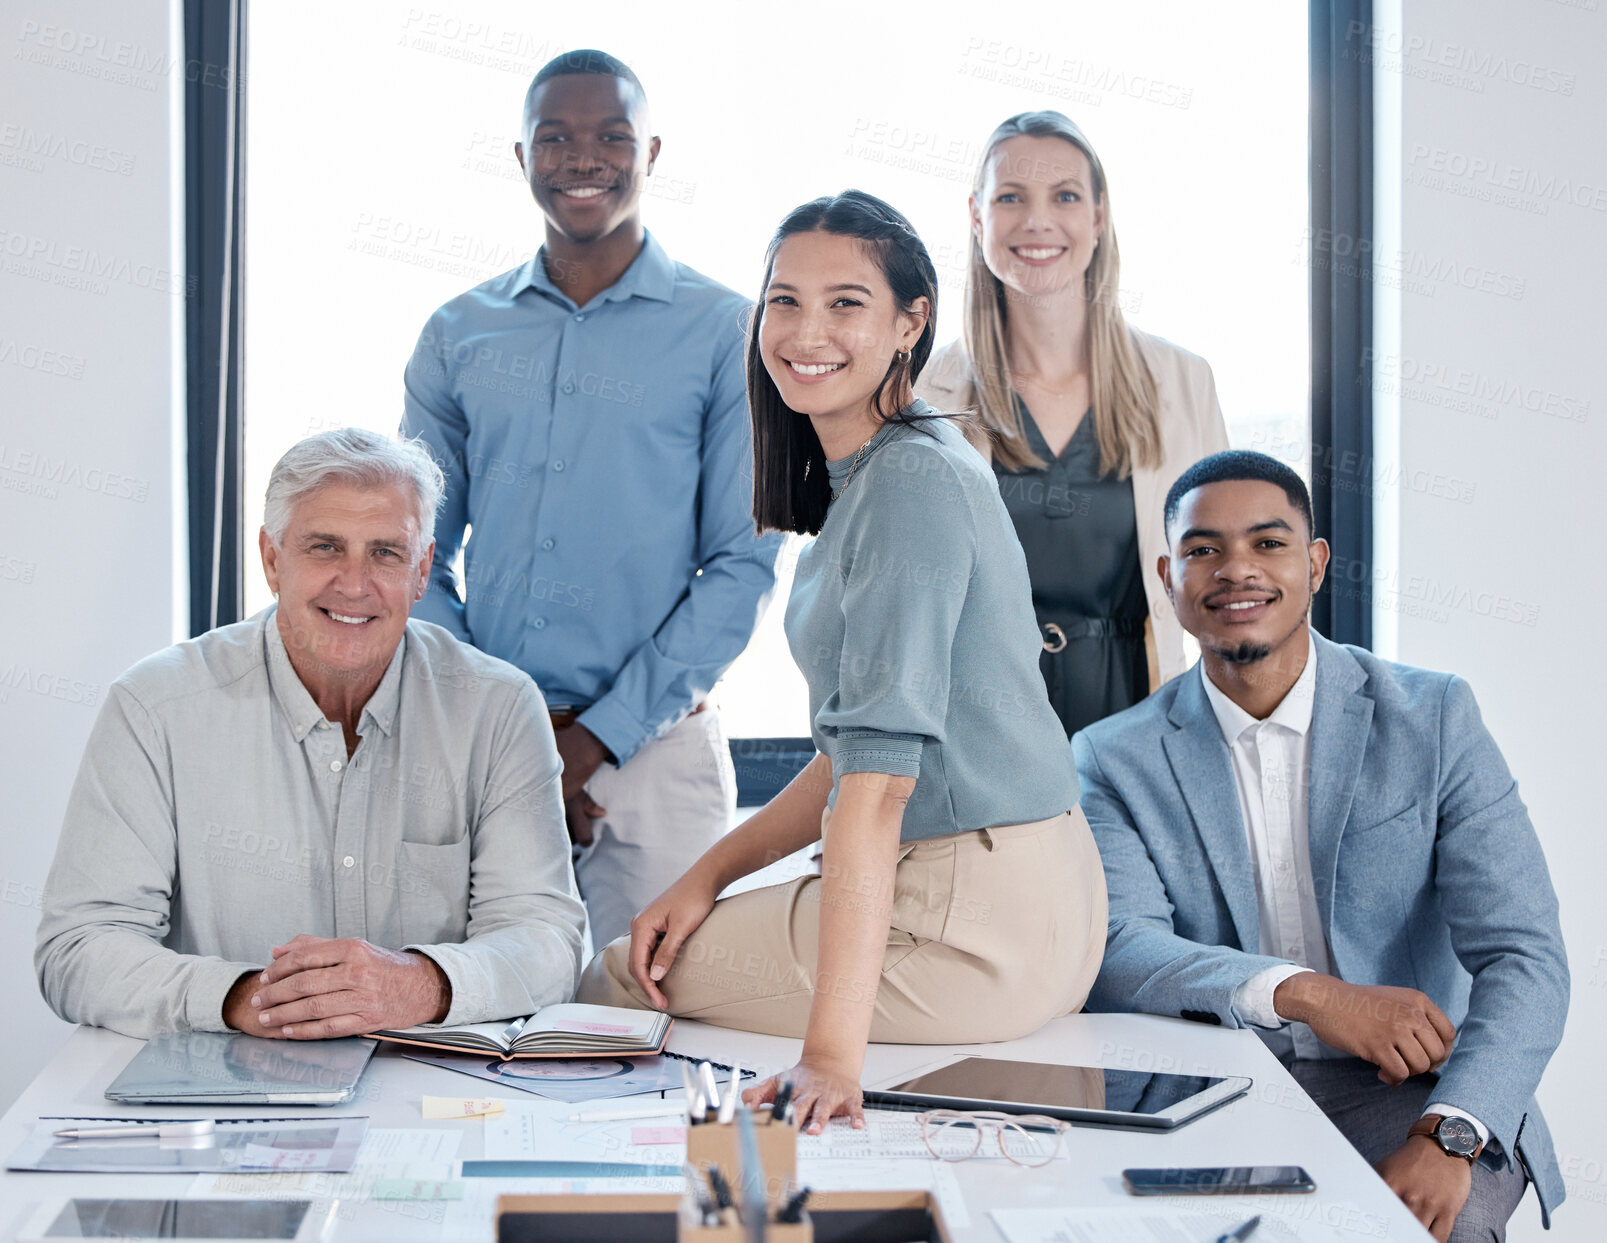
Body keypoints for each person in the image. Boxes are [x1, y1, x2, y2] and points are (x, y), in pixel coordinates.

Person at [577, 190, 1107, 1133]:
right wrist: (706, 875)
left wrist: (830, 1059)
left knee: (620, 970)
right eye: (783, 300)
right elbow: (850, 747)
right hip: (1028, 897)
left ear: (912, 322)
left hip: (970, 919)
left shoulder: (905, 482)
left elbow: (872, 792)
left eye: (845, 303)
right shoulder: (897, 464)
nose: (804, 330)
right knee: (669, 940)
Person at [1073, 450, 1567, 1241]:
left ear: (1313, 564)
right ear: (1168, 578)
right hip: (1214, 1084)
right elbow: (1122, 945)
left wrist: (1450, 1130)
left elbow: (1524, 955)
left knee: (1443, 1226)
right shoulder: (1110, 755)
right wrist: (1309, 993)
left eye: (1267, 544)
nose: (1235, 569)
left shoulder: (1432, 717)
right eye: (1203, 550)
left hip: (1410, 1089)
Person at [401, 49, 781, 948]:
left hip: (657, 759)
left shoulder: (727, 331)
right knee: (476, 1030)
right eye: (556, 138)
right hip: (484, 749)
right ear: (522, 155)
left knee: (658, 1028)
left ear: (650, 153)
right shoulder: (457, 333)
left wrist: (593, 740)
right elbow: (410, 553)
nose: (583, 159)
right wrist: (512, 723)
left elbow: (743, 563)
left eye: (611, 136)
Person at [35, 430, 586, 1040]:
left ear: (423, 569)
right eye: (325, 547)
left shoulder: (499, 708)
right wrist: (249, 997)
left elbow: (548, 940)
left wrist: (414, 984)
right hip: (221, 1092)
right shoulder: (155, 707)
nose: (354, 584)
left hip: (438, 1098)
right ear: (272, 559)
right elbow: (79, 949)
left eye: (385, 553)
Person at [915, 111, 1229, 736]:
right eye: (1011, 197)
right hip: (978, 741)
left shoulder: (1183, 383)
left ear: (1098, 216)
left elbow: (1225, 578)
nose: (1037, 220)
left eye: (1064, 196)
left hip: (1141, 736)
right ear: (976, 217)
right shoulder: (924, 395)